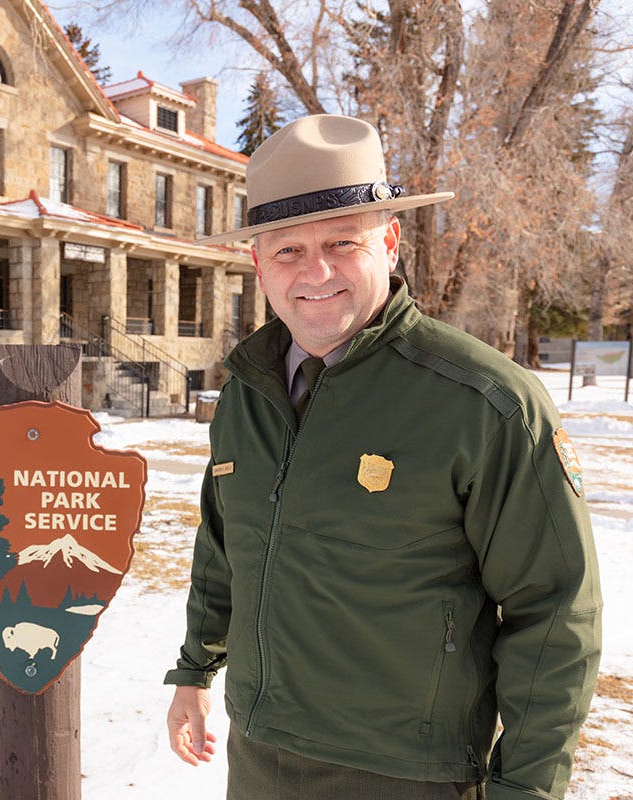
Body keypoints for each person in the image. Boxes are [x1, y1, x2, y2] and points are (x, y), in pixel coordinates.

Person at [165, 114, 602, 800]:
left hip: (407, 775)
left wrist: (526, 790)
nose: (316, 272)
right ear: (257, 262)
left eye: (343, 242)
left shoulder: (486, 405)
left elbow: (553, 613)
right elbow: (226, 548)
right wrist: (194, 671)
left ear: (391, 242)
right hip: (260, 759)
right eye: (287, 251)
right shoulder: (246, 394)